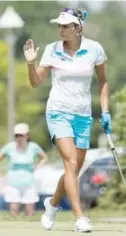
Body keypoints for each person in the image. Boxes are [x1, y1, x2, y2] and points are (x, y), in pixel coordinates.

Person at [23, 7, 111, 232]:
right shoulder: (52, 50)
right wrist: (30, 63)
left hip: (83, 115)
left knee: (74, 169)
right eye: (59, 26)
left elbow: (103, 81)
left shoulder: (94, 49)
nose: (61, 30)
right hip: (58, 112)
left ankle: (51, 205)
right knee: (70, 163)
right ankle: (79, 217)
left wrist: (105, 111)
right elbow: (35, 83)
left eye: (66, 26)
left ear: (77, 27)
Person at [0, 123, 48, 216]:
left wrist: (38, 166)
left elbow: (44, 158)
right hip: (13, 182)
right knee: (13, 208)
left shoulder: (33, 147)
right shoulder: (9, 147)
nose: (19, 138)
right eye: (16, 135)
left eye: (21, 135)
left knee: (30, 209)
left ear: (27, 135)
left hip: (29, 182)